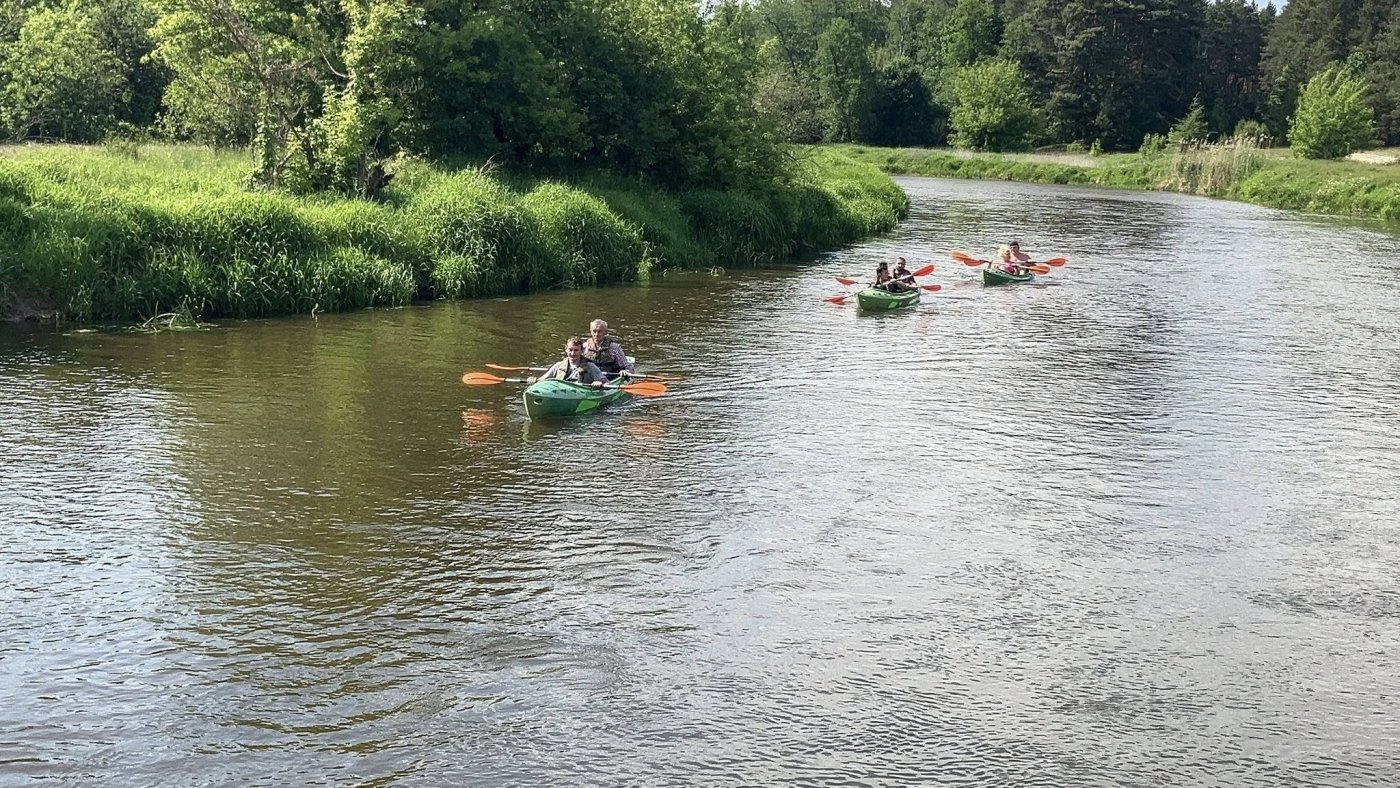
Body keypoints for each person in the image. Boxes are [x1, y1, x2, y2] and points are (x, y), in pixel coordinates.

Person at [530, 337, 608, 388]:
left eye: (576, 350)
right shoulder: (558, 366)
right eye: (570, 350)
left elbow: (606, 382)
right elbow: (541, 380)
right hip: (561, 392)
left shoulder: (590, 366)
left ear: (582, 351)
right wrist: (533, 380)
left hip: (581, 393)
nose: (573, 353)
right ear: (566, 349)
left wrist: (599, 383)